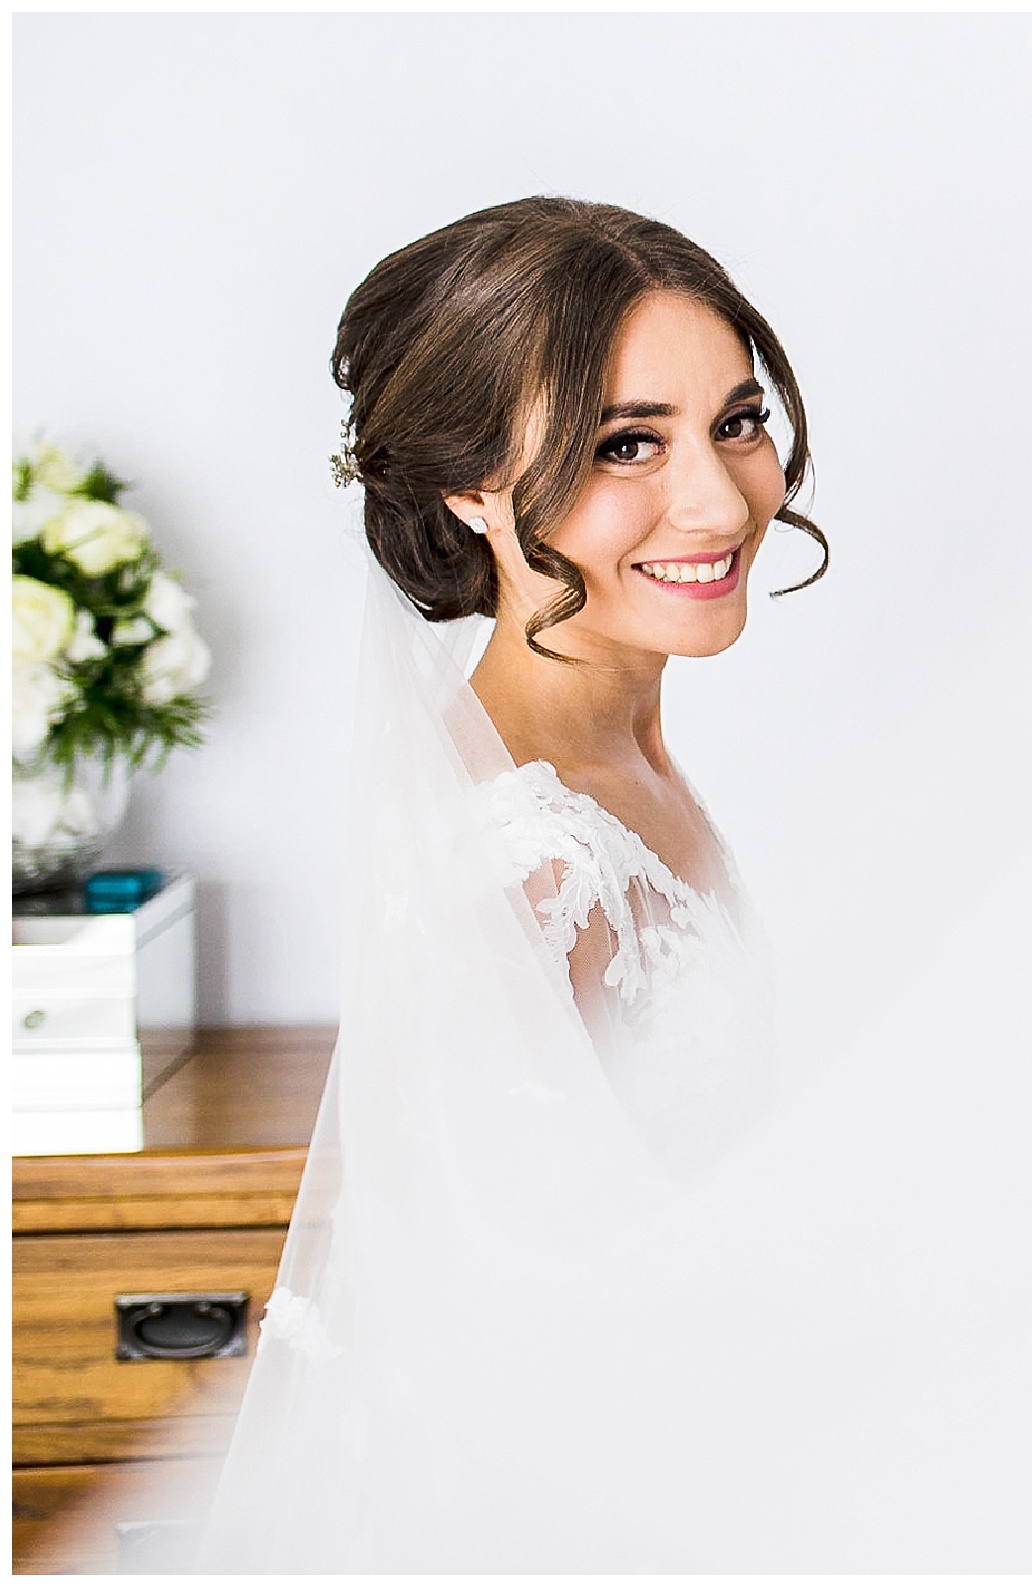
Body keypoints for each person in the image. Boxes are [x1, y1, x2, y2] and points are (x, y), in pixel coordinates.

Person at [193, 196, 826, 1571]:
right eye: (624, 445)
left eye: (736, 419)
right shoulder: (526, 862)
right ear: (473, 489)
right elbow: (543, 1364)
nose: (721, 497)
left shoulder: (618, 758)